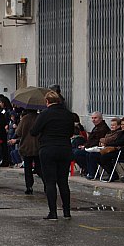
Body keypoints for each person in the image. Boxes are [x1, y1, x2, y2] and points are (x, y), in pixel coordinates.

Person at [30, 91, 75, 220]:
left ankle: (53, 212)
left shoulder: (45, 114)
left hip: (48, 149)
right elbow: (71, 132)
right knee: (63, 182)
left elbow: (34, 131)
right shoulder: (68, 114)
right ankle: (67, 212)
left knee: (50, 182)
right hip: (65, 149)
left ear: (47, 102)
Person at [9, 109, 41, 194]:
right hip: (38, 146)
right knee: (39, 167)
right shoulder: (40, 118)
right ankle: (46, 183)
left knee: (28, 168)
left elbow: (18, 132)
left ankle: (29, 186)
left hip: (27, 146)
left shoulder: (25, 119)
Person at [73, 111, 109, 178]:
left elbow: (96, 141)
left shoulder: (102, 128)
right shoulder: (96, 127)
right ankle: (87, 170)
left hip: (96, 148)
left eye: (95, 118)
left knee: (77, 153)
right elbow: (90, 140)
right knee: (74, 151)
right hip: (90, 147)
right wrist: (84, 145)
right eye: (92, 118)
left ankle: (90, 171)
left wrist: (85, 146)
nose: (93, 120)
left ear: (100, 118)